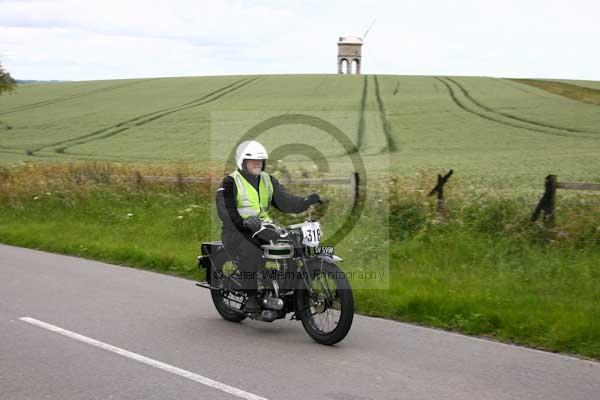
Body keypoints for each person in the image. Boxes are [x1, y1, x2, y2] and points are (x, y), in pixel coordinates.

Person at [216, 140, 321, 312]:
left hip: (263, 227)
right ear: (242, 162)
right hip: (236, 231)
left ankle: (289, 291)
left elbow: (285, 201)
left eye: (260, 160)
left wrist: (306, 201)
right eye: (253, 160)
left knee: (293, 243)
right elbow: (225, 210)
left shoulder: (267, 180)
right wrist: (243, 222)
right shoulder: (231, 182)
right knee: (253, 250)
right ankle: (250, 297)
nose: (258, 163)